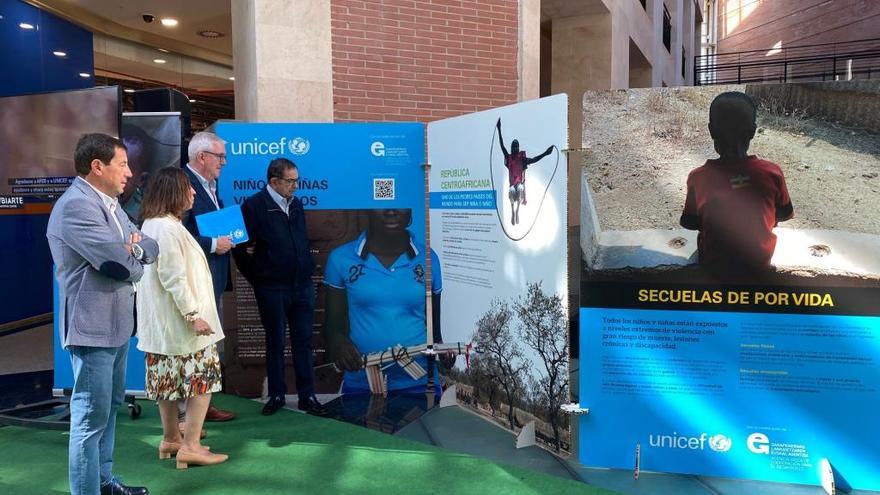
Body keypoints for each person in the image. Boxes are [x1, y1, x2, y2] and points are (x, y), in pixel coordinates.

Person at [47, 133, 159, 495]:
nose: (129, 172)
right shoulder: (77, 206)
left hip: (116, 324)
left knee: (108, 409)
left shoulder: (109, 204)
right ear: (97, 166)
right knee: (90, 416)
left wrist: (133, 250)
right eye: (122, 164)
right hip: (91, 327)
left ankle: (103, 481)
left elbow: (149, 245)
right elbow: (117, 266)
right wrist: (133, 256)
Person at [136, 167, 229, 469]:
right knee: (202, 381)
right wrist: (193, 315)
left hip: (163, 326)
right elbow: (174, 277)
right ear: (173, 192)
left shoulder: (153, 224)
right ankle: (191, 446)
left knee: (166, 382)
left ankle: (172, 439)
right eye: (187, 187)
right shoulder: (167, 229)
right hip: (183, 325)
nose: (193, 192)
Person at [232, 158, 326, 416]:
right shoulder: (253, 206)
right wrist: (259, 278)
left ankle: (307, 396)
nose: (295, 186)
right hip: (272, 288)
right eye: (290, 181)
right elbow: (239, 249)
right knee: (275, 341)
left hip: (302, 285)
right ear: (274, 182)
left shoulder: (296, 204)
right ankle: (276, 395)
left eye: (297, 180)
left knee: (303, 341)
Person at [323, 208, 450, 393]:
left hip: (421, 383)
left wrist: (446, 353)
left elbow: (435, 330)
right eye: (382, 204)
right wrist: (339, 345)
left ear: (410, 212)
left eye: (400, 203)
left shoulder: (429, 258)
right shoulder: (340, 258)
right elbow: (333, 328)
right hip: (362, 382)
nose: (391, 211)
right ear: (368, 209)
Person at [680, 91, 794, 274]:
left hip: (713, 266)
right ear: (752, 132)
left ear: (711, 131)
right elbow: (783, 214)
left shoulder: (698, 177)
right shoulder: (772, 172)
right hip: (758, 265)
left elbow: (689, 223)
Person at [182, 131, 236, 422]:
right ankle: (186, 413)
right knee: (193, 344)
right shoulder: (182, 184)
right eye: (220, 156)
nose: (224, 162)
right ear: (201, 157)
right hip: (194, 280)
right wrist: (214, 244)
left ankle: (203, 406)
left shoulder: (212, 185)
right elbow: (176, 234)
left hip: (212, 277)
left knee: (206, 345)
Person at [495, 118, 554, 225]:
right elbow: (502, 146)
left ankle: (517, 209)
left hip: (520, 184)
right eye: (513, 146)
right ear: (511, 148)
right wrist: (499, 129)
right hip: (512, 185)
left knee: (520, 188)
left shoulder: (522, 159)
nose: (514, 148)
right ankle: (513, 210)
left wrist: (546, 153)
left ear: (518, 148)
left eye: (516, 146)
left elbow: (534, 159)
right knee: (512, 191)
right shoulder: (508, 158)